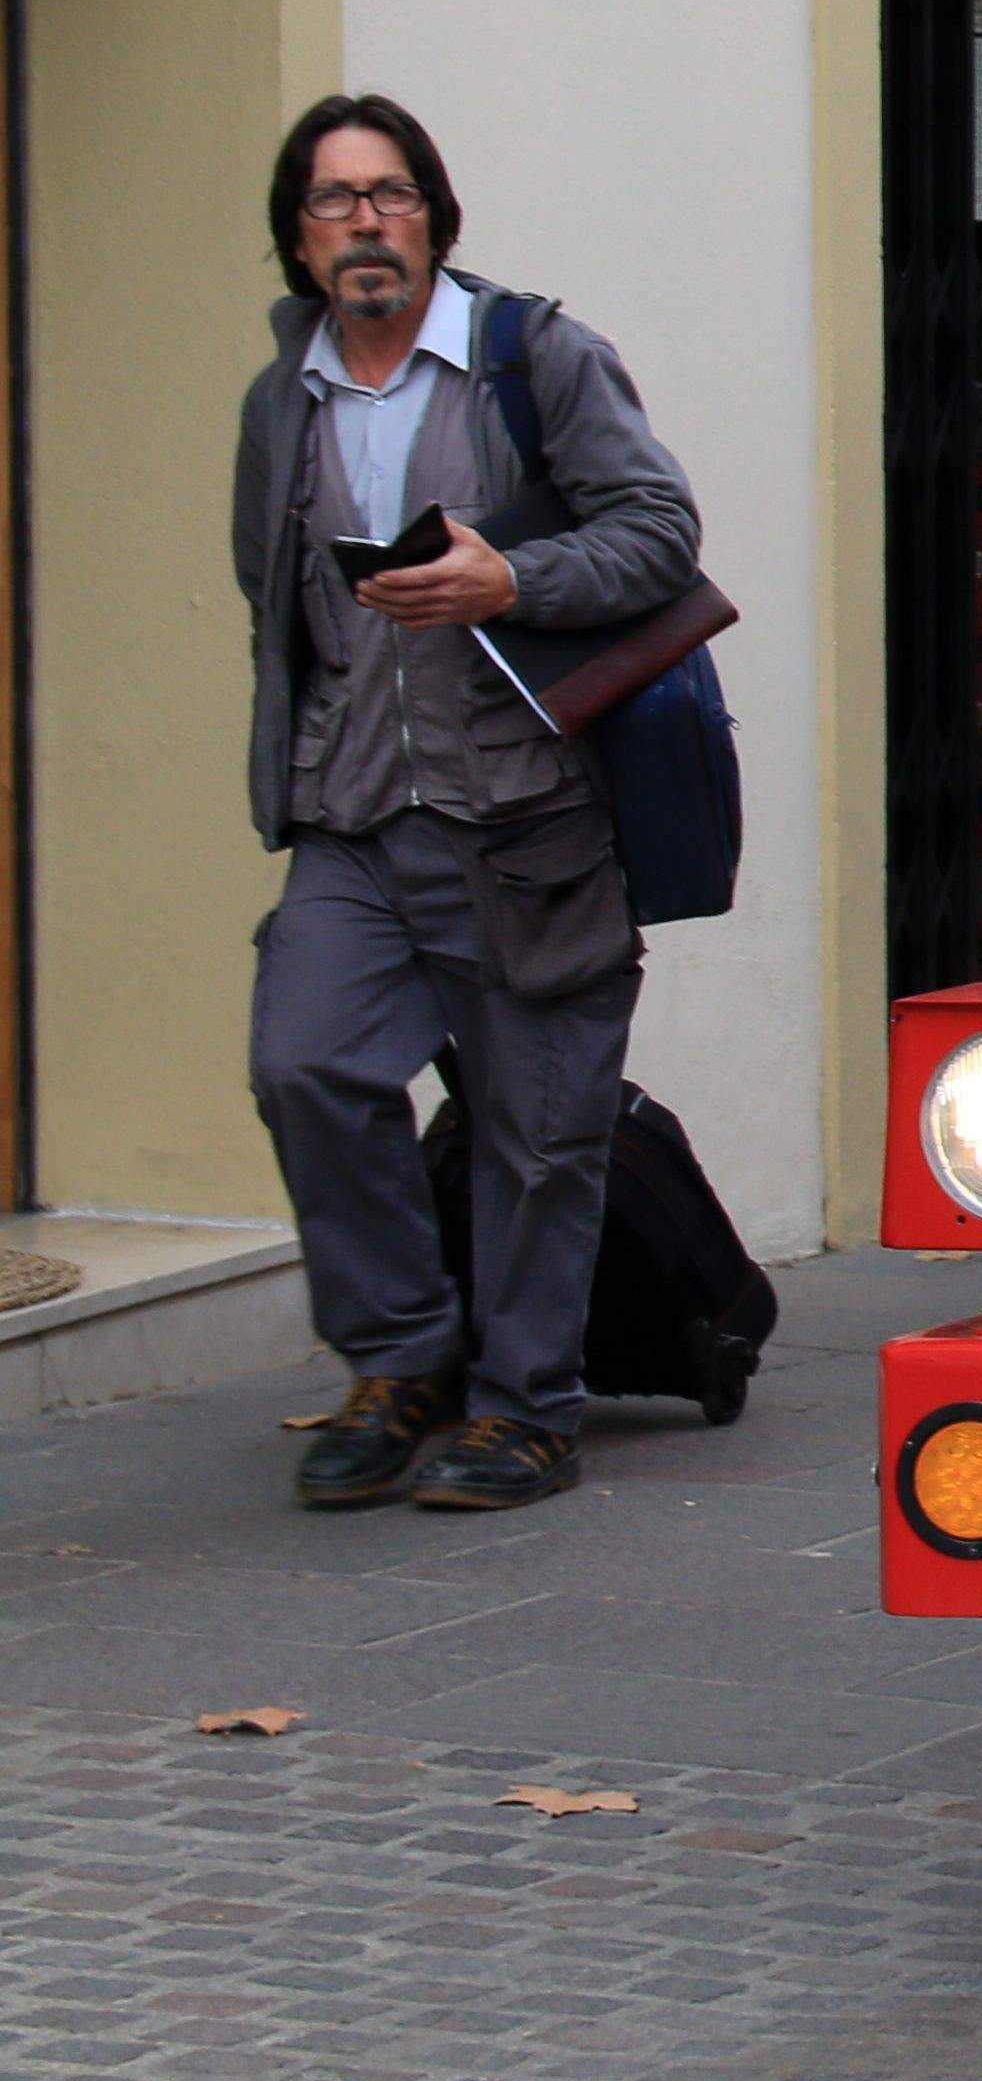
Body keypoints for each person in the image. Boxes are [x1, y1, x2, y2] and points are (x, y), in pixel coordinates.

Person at [238, 98, 703, 1515]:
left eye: (390, 195)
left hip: (528, 822)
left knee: (537, 1128)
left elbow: (659, 534)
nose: (365, 222)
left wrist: (512, 580)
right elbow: (279, 605)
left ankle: (525, 1408)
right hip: (354, 820)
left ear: (434, 215)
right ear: (300, 237)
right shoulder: (284, 400)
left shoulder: (532, 359)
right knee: (305, 1063)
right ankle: (401, 1359)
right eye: (334, 201)